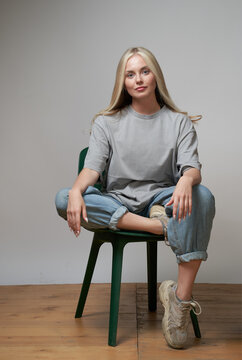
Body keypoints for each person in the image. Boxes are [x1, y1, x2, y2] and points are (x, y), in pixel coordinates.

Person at [55, 47, 215, 349]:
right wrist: (77, 190)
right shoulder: (107, 122)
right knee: (64, 198)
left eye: (144, 71)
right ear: (123, 82)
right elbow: (92, 169)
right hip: (120, 202)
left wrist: (186, 180)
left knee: (202, 196)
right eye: (130, 74)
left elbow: (192, 168)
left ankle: (179, 301)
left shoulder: (178, 121)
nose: (138, 79)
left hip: (164, 200)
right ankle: (158, 227)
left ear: (156, 76)